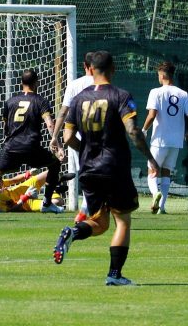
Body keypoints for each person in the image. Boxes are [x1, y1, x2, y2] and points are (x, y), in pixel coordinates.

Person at [52, 51, 160, 286]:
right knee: (122, 221)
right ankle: (114, 275)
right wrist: (151, 158)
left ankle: (73, 233)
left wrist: (87, 150)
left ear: (89, 69)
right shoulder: (120, 95)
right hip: (114, 167)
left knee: (100, 223)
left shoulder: (79, 98)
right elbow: (133, 131)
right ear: (113, 69)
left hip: (89, 168)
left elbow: (68, 136)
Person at [0, 69, 63, 218]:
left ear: (21, 83)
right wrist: (56, 143)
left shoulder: (10, 101)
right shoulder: (40, 101)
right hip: (31, 147)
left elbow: (5, 127)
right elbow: (49, 124)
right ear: (37, 82)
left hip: (11, 147)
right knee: (54, 164)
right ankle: (47, 203)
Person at [142, 61, 188, 214]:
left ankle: (155, 194)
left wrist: (144, 130)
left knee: (152, 171)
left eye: (158, 75)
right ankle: (162, 207)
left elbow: (152, 114)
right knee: (166, 172)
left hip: (160, 140)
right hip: (176, 141)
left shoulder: (156, 92)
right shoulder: (183, 93)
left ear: (163, 75)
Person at [50, 52, 94, 223]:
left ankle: (87, 207)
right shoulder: (105, 85)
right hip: (102, 135)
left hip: (79, 136)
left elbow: (63, 112)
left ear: (85, 66)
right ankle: (89, 208)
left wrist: (55, 136)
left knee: (86, 171)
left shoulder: (75, 84)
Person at [0, 169, 68, 212]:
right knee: (58, 202)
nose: (2, 182)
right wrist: (26, 196)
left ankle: (54, 185)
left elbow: (13, 180)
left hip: (19, 190)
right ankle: (54, 191)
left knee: (51, 172)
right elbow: (12, 210)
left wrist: (27, 174)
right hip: (23, 203)